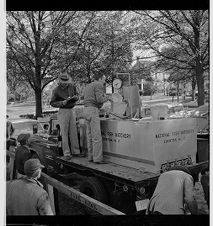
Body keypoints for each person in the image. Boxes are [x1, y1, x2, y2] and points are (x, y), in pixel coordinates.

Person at [50, 73, 80, 160]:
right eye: (64, 82)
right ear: (60, 81)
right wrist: (62, 103)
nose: (66, 83)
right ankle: (67, 153)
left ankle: (76, 152)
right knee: (64, 133)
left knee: (73, 131)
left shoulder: (72, 86)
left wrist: (76, 98)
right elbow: (52, 103)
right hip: (63, 111)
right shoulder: (55, 90)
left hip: (72, 110)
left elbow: (77, 95)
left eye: (67, 81)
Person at [83, 72, 112, 164]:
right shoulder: (98, 85)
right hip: (93, 110)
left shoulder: (88, 85)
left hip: (86, 110)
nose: (104, 81)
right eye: (104, 79)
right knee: (97, 137)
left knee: (90, 136)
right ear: (99, 79)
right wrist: (108, 98)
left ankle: (90, 157)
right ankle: (98, 159)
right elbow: (99, 99)